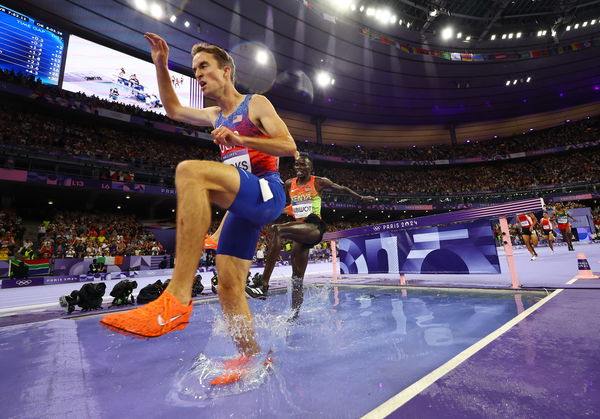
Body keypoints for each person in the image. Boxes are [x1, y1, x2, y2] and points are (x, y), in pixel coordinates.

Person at [100, 33, 296, 384]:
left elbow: (288, 147)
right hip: (243, 203)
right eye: (194, 69)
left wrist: (241, 139)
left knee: (190, 171)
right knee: (228, 285)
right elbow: (173, 109)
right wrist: (160, 66)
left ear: (226, 71)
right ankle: (250, 357)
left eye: (204, 67)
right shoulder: (213, 114)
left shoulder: (256, 104)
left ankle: (176, 295)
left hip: (267, 191)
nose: (198, 74)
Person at [246, 154, 375, 319]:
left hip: (314, 227)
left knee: (278, 229)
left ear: (310, 168)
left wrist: (361, 198)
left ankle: (263, 285)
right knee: (297, 278)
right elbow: (285, 204)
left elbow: (341, 188)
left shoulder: (319, 182)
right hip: (300, 231)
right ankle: (294, 314)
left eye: (303, 165)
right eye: (297, 165)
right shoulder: (289, 184)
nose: (299, 167)